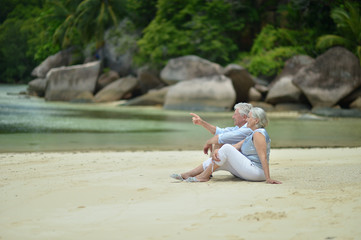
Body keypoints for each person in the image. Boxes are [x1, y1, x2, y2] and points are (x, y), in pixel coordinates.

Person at [171, 107, 281, 184]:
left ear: (256, 120)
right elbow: (236, 147)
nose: (246, 119)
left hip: (257, 172)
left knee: (226, 148)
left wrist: (268, 178)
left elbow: (263, 157)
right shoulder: (251, 133)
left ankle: (203, 177)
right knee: (223, 157)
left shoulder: (259, 134)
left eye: (249, 117)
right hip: (249, 171)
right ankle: (189, 174)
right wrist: (217, 152)